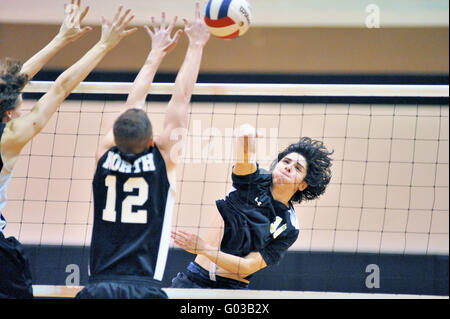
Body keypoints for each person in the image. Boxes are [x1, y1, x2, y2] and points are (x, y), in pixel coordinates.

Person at [0, 2, 137, 298]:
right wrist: (104, 44)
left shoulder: (9, 126)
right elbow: (61, 87)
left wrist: (62, 37)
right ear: (10, 112)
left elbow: (11, 84)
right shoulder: (10, 136)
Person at [75, 2, 210, 299]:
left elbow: (131, 105)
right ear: (153, 140)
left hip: (98, 286)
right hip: (143, 289)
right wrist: (196, 44)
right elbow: (182, 98)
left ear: (116, 134)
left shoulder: (104, 156)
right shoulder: (162, 160)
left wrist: (154, 54)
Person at [170, 124, 333, 289]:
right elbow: (245, 160)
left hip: (233, 290)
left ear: (303, 185)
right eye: (286, 161)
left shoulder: (290, 226)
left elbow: (247, 267)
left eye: (297, 168)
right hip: (194, 279)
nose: (288, 167)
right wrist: (244, 138)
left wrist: (204, 249)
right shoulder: (254, 180)